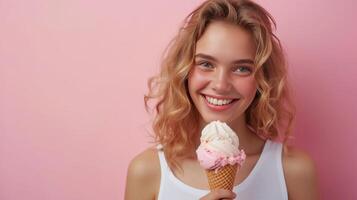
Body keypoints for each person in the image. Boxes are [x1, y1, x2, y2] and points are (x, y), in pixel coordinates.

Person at [125, 0, 318, 199]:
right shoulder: (147, 171)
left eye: (242, 68)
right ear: (185, 70)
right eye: (206, 64)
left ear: (262, 79)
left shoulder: (293, 171)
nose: (221, 85)